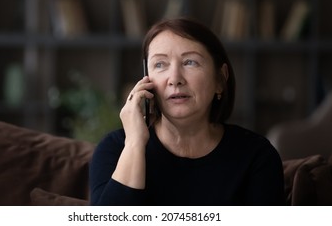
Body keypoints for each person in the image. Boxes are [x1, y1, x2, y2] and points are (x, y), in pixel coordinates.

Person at [89, 17, 285, 206]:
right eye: (160, 64)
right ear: (146, 81)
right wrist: (134, 144)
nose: (175, 78)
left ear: (220, 79)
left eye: (190, 62)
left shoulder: (256, 156)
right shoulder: (115, 149)